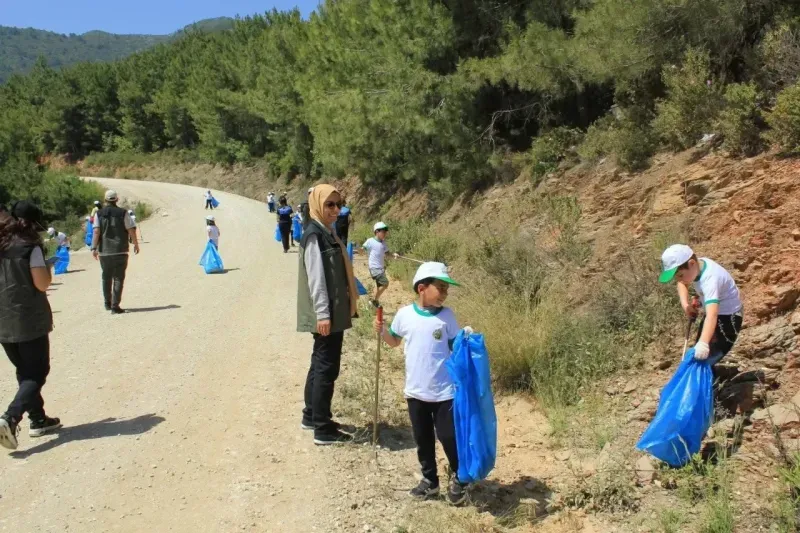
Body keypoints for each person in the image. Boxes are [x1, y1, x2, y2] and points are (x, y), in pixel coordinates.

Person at [373, 261, 467, 504]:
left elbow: (456, 349)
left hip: (444, 392)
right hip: (416, 392)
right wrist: (382, 331)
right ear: (422, 288)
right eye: (441, 288)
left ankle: (459, 477)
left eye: (447, 289)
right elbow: (394, 342)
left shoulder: (447, 316)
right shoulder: (405, 315)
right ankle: (430, 481)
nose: (445, 293)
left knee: (448, 437)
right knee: (423, 440)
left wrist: (467, 343)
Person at [297, 184, 359, 445]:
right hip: (327, 314)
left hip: (332, 311)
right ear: (317, 205)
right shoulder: (315, 235)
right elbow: (316, 279)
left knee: (319, 363)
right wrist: (323, 314)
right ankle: (323, 428)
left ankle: (312, 416)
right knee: (326, 367)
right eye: (329, 205)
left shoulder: (326, 231)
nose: (336, 210)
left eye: (338, 204)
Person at [0, 201, 62, 450]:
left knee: (25, 371)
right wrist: (47, 267)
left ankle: (38, 419)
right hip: (28, 319)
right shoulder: (29, 247)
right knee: (37, 372)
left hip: (2, 321)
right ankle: (10, 417)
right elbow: (42, 284)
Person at [659, 244, 743, 378]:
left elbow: (712, 315)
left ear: (692, 263)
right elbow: (682, 283)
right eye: (676, 277)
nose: (679, 279)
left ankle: (714, 383)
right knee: (698, 355)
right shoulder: (696, 267)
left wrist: (703, 343)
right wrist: (686, 305)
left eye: (680, 275)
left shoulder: (710, 279)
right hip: (714, 314)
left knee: (704, 358)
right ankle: (712, 378)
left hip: (729, 318)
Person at [92, 190, 139, 314]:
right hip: (120, 250)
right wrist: (135, 244)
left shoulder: (98, 214)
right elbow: (131, 229)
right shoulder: (123, 213)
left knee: (106, 277)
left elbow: (96, 231)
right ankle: (115, 306)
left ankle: (107, 303)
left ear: (105, 200)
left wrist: (93, 247)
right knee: (118, 278)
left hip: (104, 251)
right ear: (117, 199)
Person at [362, 222, 398, 307]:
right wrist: (360, 250)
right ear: (377, 232)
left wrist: (394, 255)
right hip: (374, 268)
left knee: (380, 286)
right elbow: (363, 249)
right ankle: (373, 301)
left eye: (385, 231)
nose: (385, 233)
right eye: (383, 231)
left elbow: (388, 254)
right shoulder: (370, 241)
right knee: (385, 283)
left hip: (381, 269)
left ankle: (374, 302)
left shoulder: (383, 243)